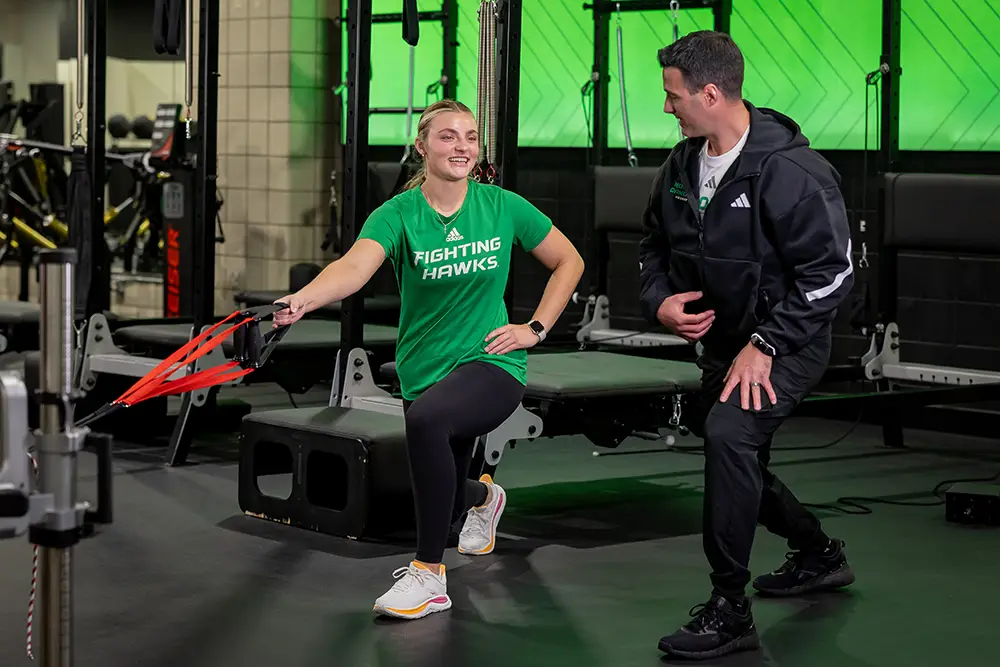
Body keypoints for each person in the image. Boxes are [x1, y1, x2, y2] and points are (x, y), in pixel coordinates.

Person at [273, 99, 585, 621]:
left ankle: (428, 576)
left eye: (470, 136)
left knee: (427, 423)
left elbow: (568, 260)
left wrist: (535, 328)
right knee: (442, 493)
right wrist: (302, 299)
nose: (461, 146)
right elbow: (353, 268)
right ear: (422, 146)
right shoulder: (398, 214)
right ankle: (484, 500)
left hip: (492, 363)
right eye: (447, 136)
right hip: (425, 368)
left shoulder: (502, 206)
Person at [637, 31, 857, 659]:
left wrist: (766, 342)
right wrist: (659, 301)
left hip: (786, 342)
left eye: (672, 95)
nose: (667, 107)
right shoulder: (680, 166)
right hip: (725, 344)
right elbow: (653, 245)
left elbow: (833, 273)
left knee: (731, 435)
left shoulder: (791, 170)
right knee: (729, 442)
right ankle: (817, 553)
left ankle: (730, 608)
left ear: (710, 92)